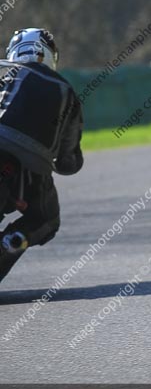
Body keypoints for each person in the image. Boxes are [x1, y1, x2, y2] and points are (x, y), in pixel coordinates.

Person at [0, 28, 83, 265]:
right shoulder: (66, 90)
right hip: (32, 165)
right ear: (49, 55)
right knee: (46, 219)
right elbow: (69, 161)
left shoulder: (3, 73)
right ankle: (12, 241)